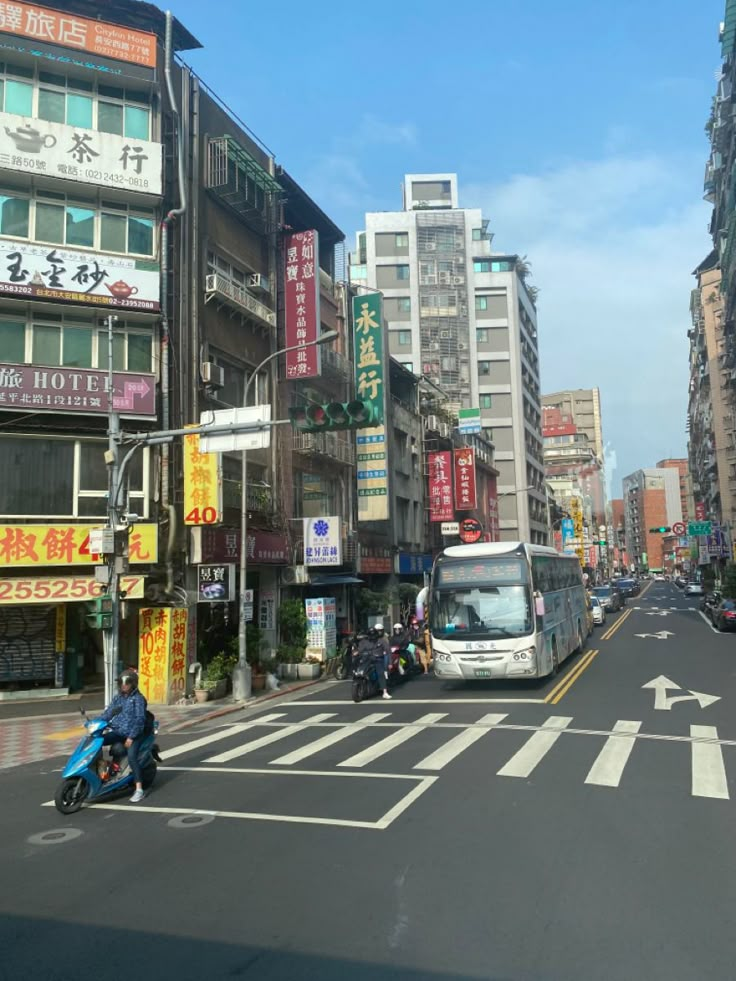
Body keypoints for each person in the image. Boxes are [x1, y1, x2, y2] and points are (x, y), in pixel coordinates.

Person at [100, 669, 148, 803]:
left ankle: (139, 789)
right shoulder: (118, 698)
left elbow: (140, 720)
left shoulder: (138, 699)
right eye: (121, 682)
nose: (124, 685)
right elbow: (108, 713)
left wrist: (131, 737)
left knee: (132, 757)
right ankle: (102, 773)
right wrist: (95, 722)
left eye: (127, 682)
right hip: (118, 732)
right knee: (96, 741)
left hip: (134, 735)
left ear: (133, 684)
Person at [373, 622, 393, 699]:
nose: (379, 632)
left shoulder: (384, 639)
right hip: (370, 659)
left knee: (382, 673)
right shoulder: (370, 639)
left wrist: (390, 663)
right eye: (377, 631)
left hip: (380, 658)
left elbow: (388, 651)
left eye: (380, 630)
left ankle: (385, 692)